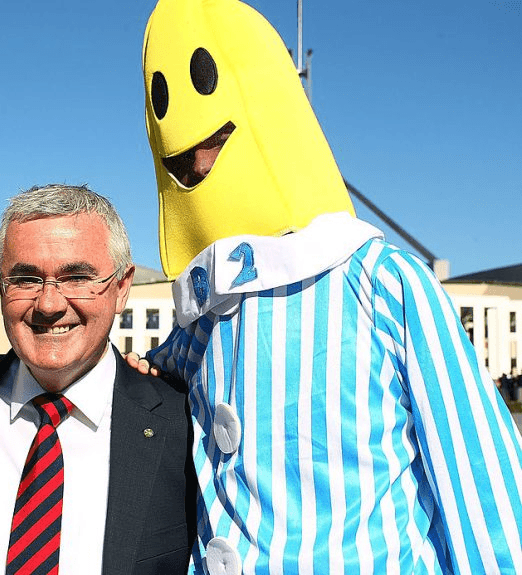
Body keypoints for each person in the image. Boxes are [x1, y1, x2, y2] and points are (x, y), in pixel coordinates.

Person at [140, 0, 522, 573]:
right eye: (183, 159)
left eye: (215, 139)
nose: (197, 163)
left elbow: (481, 485)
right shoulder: (203, 318)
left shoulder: (386, 282)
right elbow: (153, 371)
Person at [0, 184, 196, 575]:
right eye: (26, 279)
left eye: (76, 277)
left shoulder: (182, 425)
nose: (50, 304)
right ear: (0, 285)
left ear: (122, 288)